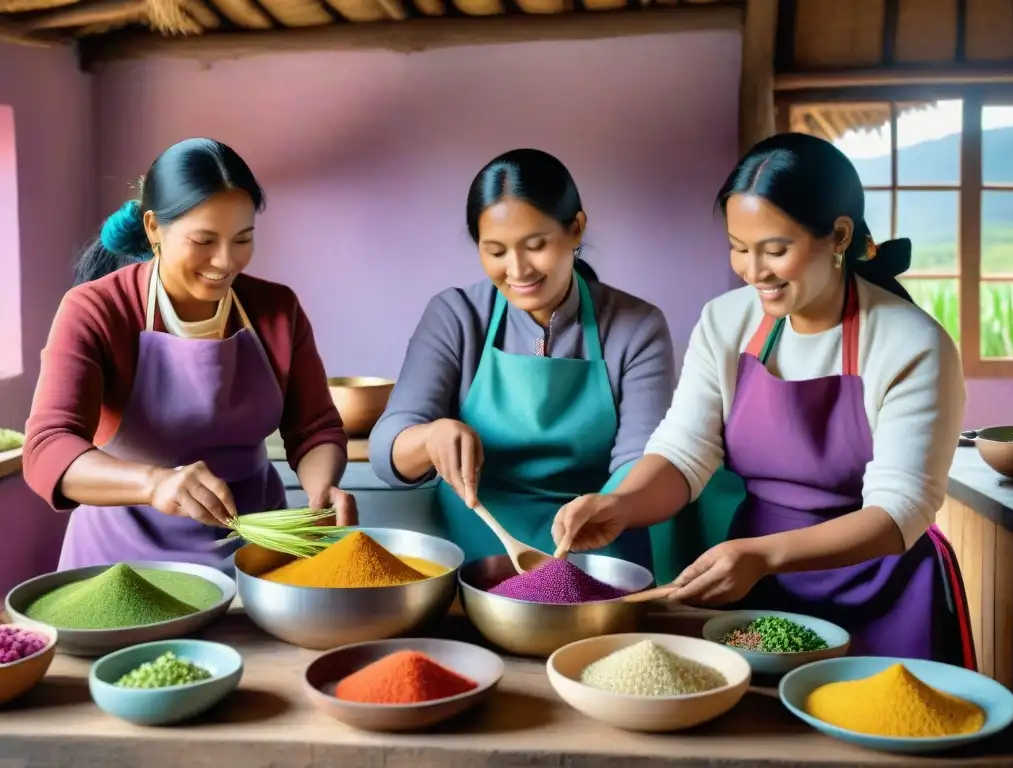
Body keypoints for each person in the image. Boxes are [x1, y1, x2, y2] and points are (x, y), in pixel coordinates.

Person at [552, 133, 976, 667]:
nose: (753, 271)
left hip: (882, 593)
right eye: (738, 247)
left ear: (838, 235)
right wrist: (621, 504)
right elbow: (684, 453)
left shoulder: (911, 343)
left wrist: (764, 555)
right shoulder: (726, 322)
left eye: (775, 250)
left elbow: (899, 513)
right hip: (757, 594)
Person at [23, 138, 358, 574]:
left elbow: (314, 428)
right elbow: (48, 447)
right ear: (152, 228)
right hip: (123, 564)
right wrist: (153, 483)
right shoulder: (96, 310)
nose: (225, 261)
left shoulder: (277, 309)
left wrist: (322, 488)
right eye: (203, 240)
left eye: (243, 239)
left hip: (256, 554)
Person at [369, 148, 675, 565]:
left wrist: (615, 503)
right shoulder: (456, 316)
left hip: (599, 555)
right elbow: (388, 451)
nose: (518, 270)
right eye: (496, 251)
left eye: (536, 245)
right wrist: (430, 436)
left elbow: (642, 460)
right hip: (473, 563)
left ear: (576, 229)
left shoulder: (635, 326)